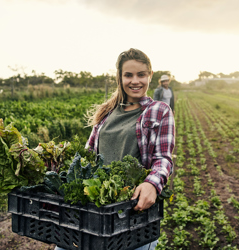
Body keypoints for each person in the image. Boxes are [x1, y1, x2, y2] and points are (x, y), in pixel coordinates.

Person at [55, 48, 175, 250]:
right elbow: (88, 155)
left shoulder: (159, 111)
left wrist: (152, 184)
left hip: (132, 215)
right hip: (95, 211)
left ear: (150, 76)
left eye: (141, 74)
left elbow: (163, 158)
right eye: (128, 75)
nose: (135, 81)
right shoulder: (106, 113)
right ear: (119, 77)